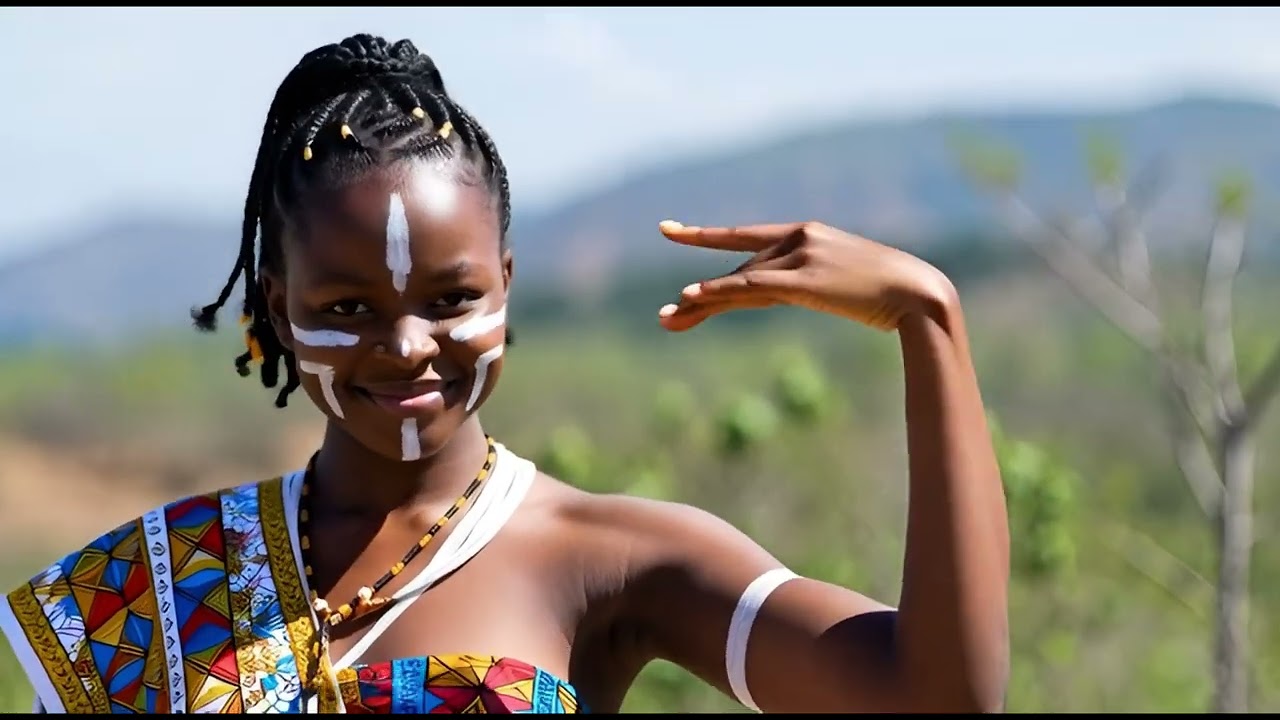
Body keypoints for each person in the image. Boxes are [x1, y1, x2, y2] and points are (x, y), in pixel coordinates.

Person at [0, 33, 1010, 715]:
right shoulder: (143, 591)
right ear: (275, 309)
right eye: (348, 309)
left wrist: (930, 321)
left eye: (449, 300)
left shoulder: (614, 561)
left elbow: (933, 699)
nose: (404, 348)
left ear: (506, 288)